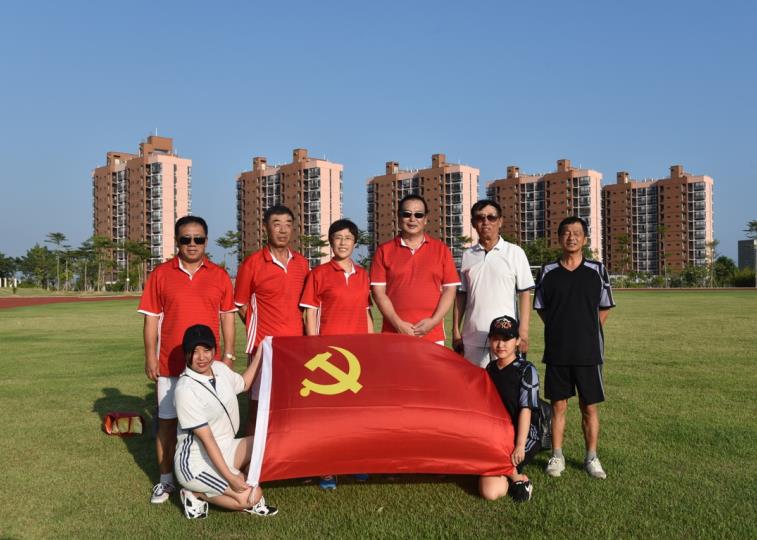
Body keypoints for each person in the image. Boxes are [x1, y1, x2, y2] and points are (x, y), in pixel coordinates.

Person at [138, 215, 237, 504]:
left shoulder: (219, 275)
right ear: (177, 241)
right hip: (170, 366)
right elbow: (151, 320)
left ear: (206, 240)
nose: (192, 244)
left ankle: (210, 473)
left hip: (208, 369)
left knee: (212, 425)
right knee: (167, 425)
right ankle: (166, 480)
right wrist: (150, 356)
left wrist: (229, 355)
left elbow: (227, 317)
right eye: (186, 239)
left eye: (198, 239)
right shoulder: (160, 274)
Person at [534, 216, 615, 479]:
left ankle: (591, 457)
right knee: (558, 406)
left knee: (589, 407)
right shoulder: (547, 271)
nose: (572, 237)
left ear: (585, 239)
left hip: (588, 352)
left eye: (577, 233)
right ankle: (557, 456)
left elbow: (604, 307)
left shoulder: (597, 270)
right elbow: (542, 308)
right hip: (557, 351)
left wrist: (587, 330)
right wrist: (560, 328)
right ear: (559, 238)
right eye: (566, 233)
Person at [174, 324, 277, 519]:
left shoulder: (219, 369)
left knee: (266, 443)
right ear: (186, 354)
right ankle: (195, 493)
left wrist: (261, 354)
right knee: (252, 496)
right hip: (196, 463)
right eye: (194, 351)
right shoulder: (185, 390)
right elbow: (208, 440)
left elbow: (244, 384)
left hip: (225, 448)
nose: (201, 357)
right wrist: (230, 477)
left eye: (206, 350)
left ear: (214, 350)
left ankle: (236, 478)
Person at [300, 218, 372, 490]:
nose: (343, 243)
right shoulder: (318, 274)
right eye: (338, 238)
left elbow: (366, 313)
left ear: (355, 243)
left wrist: (371, 347)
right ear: (330, 242)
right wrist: (313, 347)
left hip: (357, 355)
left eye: (348, 238)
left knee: (356, 412)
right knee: (328, 414)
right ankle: (327, 467)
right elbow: (310, 313)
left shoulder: (363, 275)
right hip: (328, 356)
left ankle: (356, 461)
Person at [234, 205, 309, 436]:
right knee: (257, 409)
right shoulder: (252, 263)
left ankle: (286, 451)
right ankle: (252, 456)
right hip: (263, 349)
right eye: (277, 224)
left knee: (291, 405)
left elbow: (305, 307)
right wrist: (259, 329)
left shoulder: (302, 263)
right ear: (265, 227)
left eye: (288, 224)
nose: (283, 230)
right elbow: (240, 304)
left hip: (294, 349)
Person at [453, 200, 535, 367]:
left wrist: (523, 332)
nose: (486, 222)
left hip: (506, 337)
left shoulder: (515, 252)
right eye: (480, 218)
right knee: (475, 383)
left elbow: (524, 294)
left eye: (491, 217)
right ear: (473, 223)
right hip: (472, 338)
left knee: (504, 383)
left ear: (500, 221)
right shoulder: (467, 255)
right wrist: (455, 330)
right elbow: (461, 295)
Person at [370, 194, 460, 345]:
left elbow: (449, 290)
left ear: (425, 219)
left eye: (418, 215)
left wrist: (433, 321)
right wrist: (398, 324)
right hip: (394, 334)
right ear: (399, 217)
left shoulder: (442, 250)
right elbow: (378, 293)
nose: (412, 219)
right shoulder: (383, 251)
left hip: (433, 334)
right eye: (407, 214)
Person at [479, 315, 540, 502]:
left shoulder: (526, 369)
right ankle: (512, 476)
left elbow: (525, 410)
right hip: (497, 434)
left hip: (523, 434)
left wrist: (520, 445)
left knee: (490, 492)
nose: (501, 344)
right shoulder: (490, 368)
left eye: (507, 339)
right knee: (490, 491)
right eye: (496, 338)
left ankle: (520, 479)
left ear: (518, 341)